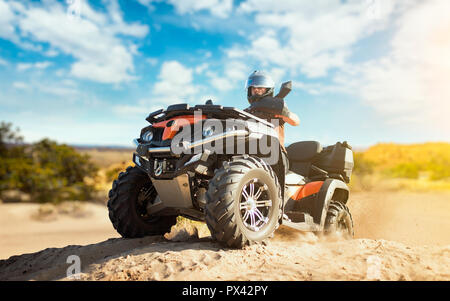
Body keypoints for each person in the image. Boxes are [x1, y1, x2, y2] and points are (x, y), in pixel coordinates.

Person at [244, 70, 300, 175]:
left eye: (260, 88)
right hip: (249, 154)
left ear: (267, 90)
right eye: (253, 88)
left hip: (275, 156)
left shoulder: (275, 107)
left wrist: (285, 113)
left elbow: (296, 121)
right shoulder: (246, 112)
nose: (256, 90)